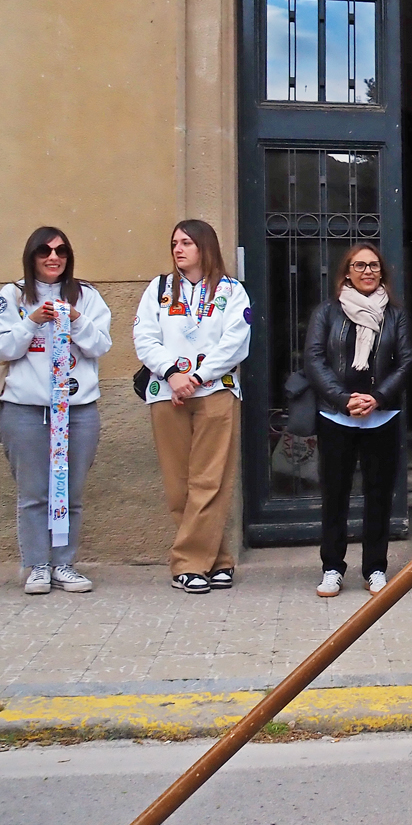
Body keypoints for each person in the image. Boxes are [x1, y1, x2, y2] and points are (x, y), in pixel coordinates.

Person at [133, 220, 250, 594]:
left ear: (205, 246)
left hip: (216, 391)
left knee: (210, 480)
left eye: (186, 242)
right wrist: (171, 373)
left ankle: (188, 564)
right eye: (174, 243)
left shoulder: (232, 292)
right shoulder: (159, 289)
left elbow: (234, 342)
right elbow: (144, 336)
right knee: (178, 484)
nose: (178, 249)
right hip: (166, 392)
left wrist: (197, 377)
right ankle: (217, 559)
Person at [0, 227, 113, 595]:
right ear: (31, 256)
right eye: (44, 251)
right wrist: (32, 321)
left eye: (61, 251)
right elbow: (2, 348)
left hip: (77, 409)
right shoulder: (11, 296)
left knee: (71, 491)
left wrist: (74, 318)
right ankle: (37, 564)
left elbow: (100, 345)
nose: (53, 257)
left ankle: (64, 563)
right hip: (25, 409)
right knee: (34, 492)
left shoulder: (88, 295)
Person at [305, 242, 412, 598]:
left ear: (382, 272)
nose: (367, 272)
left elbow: (407, 361)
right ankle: (332, 568)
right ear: (347, 272)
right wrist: (343, 398)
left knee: (378, 495)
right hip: (336, 415)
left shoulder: (395, 315)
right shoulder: (328, 312)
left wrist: (378, 397)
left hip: (381, 415)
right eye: (359, 266)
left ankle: (375, 568)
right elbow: (315, 359)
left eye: (373, 266)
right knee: (334, 495)